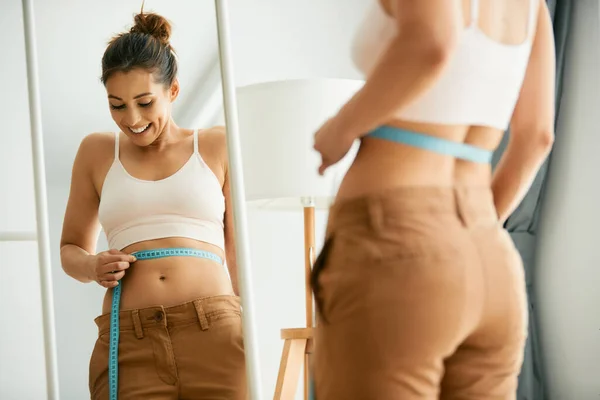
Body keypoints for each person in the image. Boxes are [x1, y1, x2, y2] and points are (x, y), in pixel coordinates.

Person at [310, 0, 555, 398]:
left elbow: (432, 43)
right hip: (490, 256)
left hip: (398, 244)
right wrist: (466, 233)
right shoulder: (533, 7)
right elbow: (537, 137)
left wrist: (340, 129)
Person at [59, 10, 246, 400]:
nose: (133, 119)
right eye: (117, 105)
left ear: (172, 91)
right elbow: (69, 250)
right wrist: (92, 266)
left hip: (217, 331)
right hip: (129, 339)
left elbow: (238, 249)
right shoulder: (96, 152)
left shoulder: (216, 144)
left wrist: (250, 326)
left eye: (145, 102)